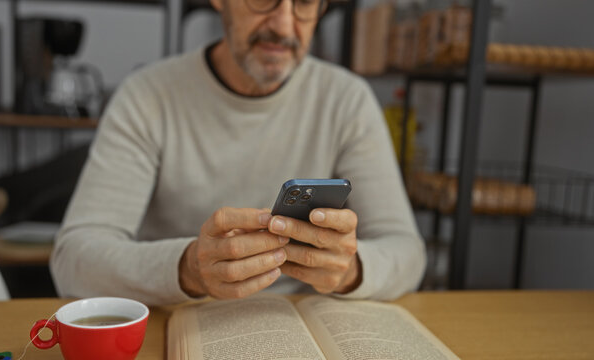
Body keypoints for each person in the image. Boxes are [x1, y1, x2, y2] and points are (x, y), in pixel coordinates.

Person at [50, 0, 426, 305]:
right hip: (180, 321)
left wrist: (350, 271)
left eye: (305, 3)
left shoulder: (347, 100)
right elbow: (73, 259)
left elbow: (407, 251)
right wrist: (187, 269)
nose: (282, 25)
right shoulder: (147, 97)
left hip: (300, 324)